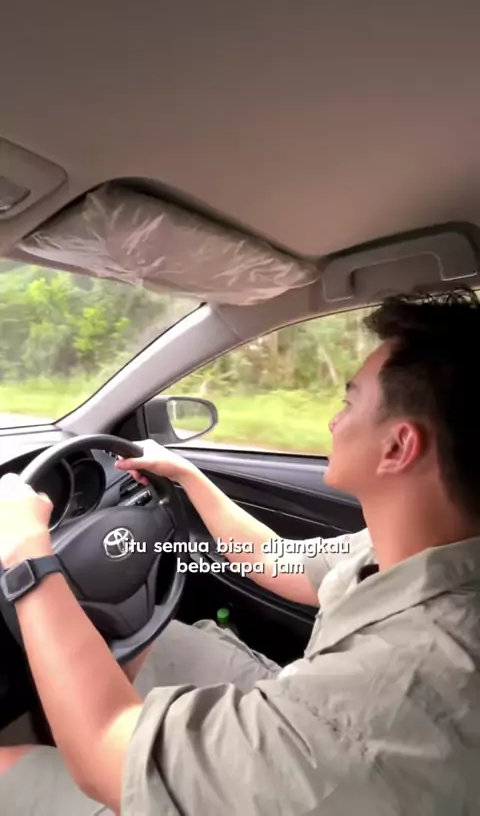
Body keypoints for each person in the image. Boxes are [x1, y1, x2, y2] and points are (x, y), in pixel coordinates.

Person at [1, 288, 480, 814]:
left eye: (348, 403)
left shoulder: (395, 687)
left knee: (9, 764)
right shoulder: (419, 551)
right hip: (313, 715)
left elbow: (103, 751)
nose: (333, 422)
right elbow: (278, 560)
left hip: (320, 744)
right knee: (145, 644)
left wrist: (28, 557)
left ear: (398, 446)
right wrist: (188, 476)